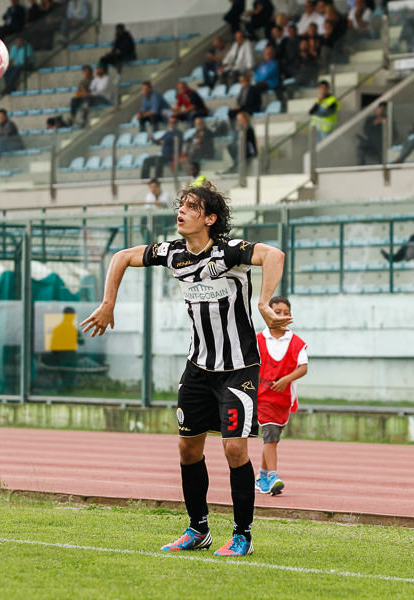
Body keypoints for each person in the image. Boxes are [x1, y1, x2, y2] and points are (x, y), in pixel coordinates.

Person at [81, 180, 288, 557]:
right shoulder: (173, 252)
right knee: (187, 449)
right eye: (182, 205)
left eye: (191, 207)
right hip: (198, 367)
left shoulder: (229, 252)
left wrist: (264, 302)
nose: (181, 211)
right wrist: (108, 302)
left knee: (234, 450)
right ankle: (198, 529)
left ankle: (242, 534)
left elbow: (274, 255)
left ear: (209, 218)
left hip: (237, 368)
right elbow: (121, 257)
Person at [254, 296, 307, 496]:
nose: (281, 316)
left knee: (272, 439)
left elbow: (303, 368)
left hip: (283, 401)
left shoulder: (296, 343)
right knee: (270, 435)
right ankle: (273, 476)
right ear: (268, 314)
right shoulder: (258, 340)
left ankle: (261, 476)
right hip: (262, 398)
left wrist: (286, 379)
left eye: (286, 312)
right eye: (277, 312)